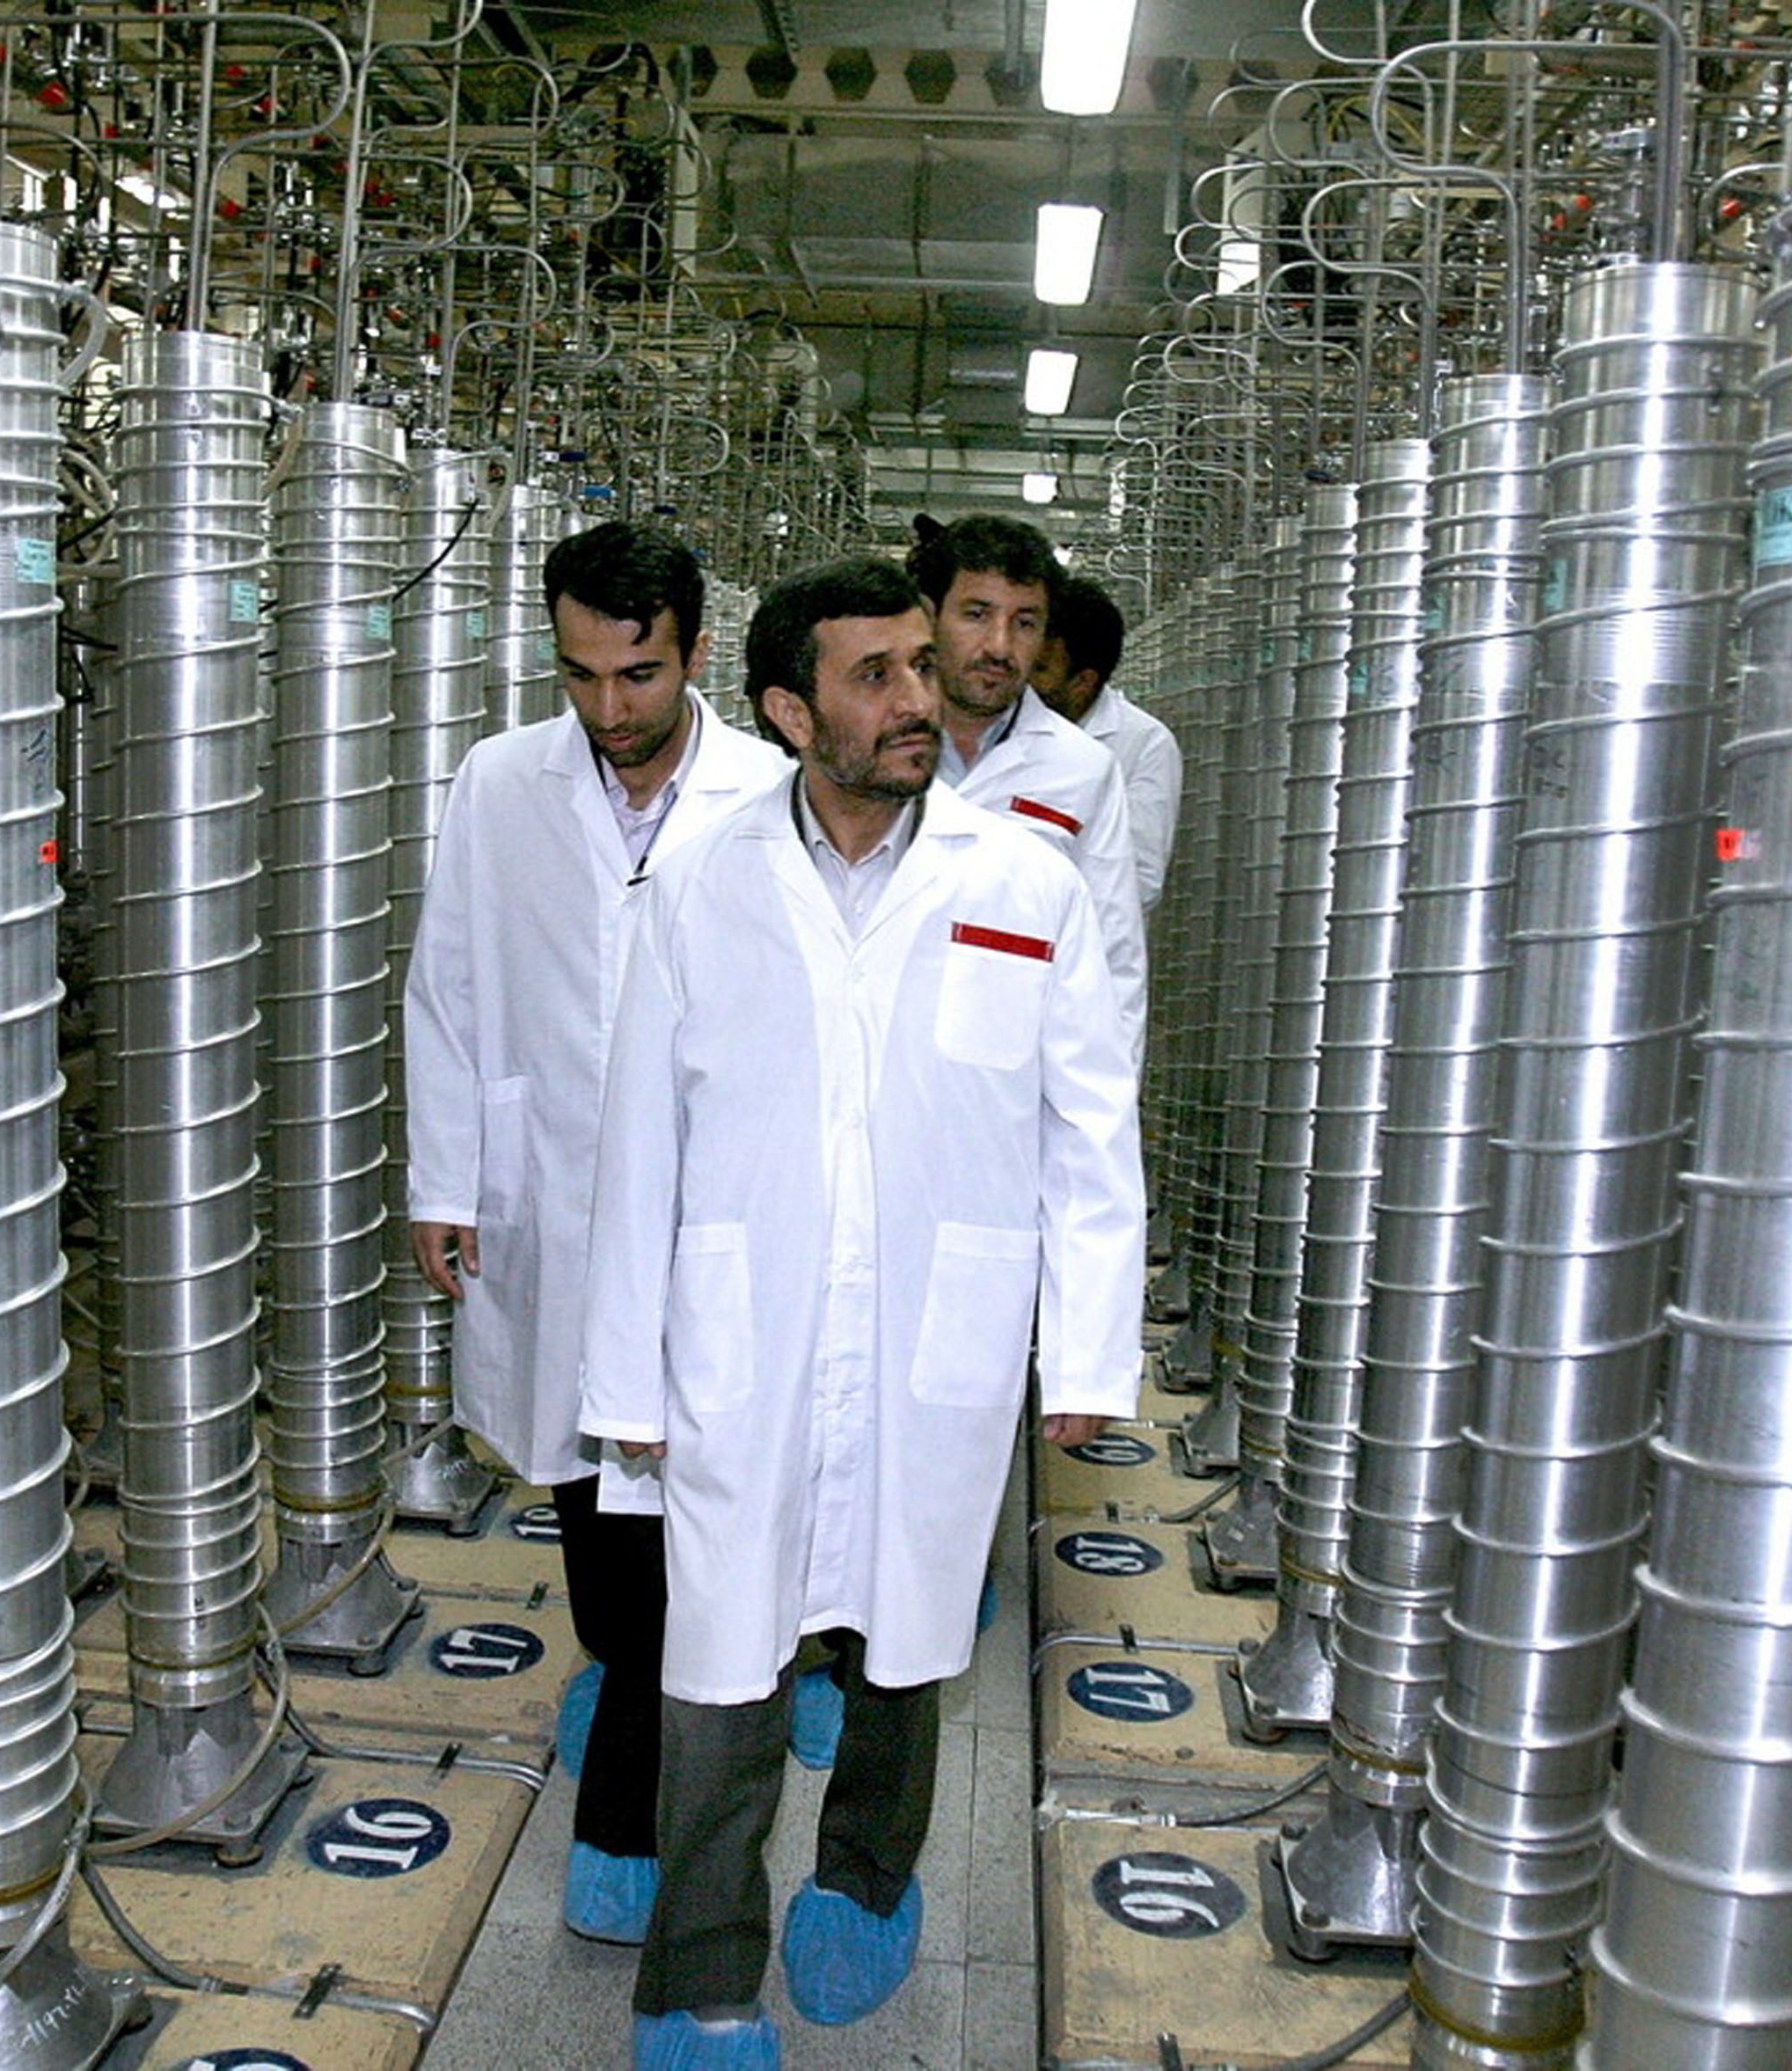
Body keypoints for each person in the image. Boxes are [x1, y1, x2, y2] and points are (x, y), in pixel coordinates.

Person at [581, 555, 1145, 2070]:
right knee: (719, 1666)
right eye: (877, 674)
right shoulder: (701, 874)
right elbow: (641, 1132)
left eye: (921, 662)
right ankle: (698, 1977)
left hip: (936, 1329)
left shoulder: (1021, 877)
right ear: (787, 709)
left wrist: (1086, 1344)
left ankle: (869, 1874)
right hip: (740, 1326)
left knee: (909, 1635)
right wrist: (623, 1367)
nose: (924, 698)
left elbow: (1089, 1127)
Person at [403, 517, 782, 1946]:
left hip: (706, 1220)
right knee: (587, 1502)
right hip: (550, 1194)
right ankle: (625, 1668)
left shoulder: (767, 791)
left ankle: (625, 1829)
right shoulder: (502, 781)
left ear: (695, 651)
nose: (609, 709)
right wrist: (446, 1175)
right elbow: (446, 982)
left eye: (639, 675)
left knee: (676, 1541)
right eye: (580, 676)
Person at [909, 514, 1147, 1036]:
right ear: (929, 617)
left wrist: (1102, 1109)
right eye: (976, 614)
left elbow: (1113, 959)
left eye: (1025, 623)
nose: (999, 645)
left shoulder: (1082, 771)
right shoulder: (873, 742)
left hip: (1012, 1071)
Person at [1030, 572, 1181, 917]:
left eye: (1040, 669)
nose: (1024, 680)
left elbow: (1140, 880)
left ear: (1083, 681)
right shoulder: (999, 724)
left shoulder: (1143, 744)